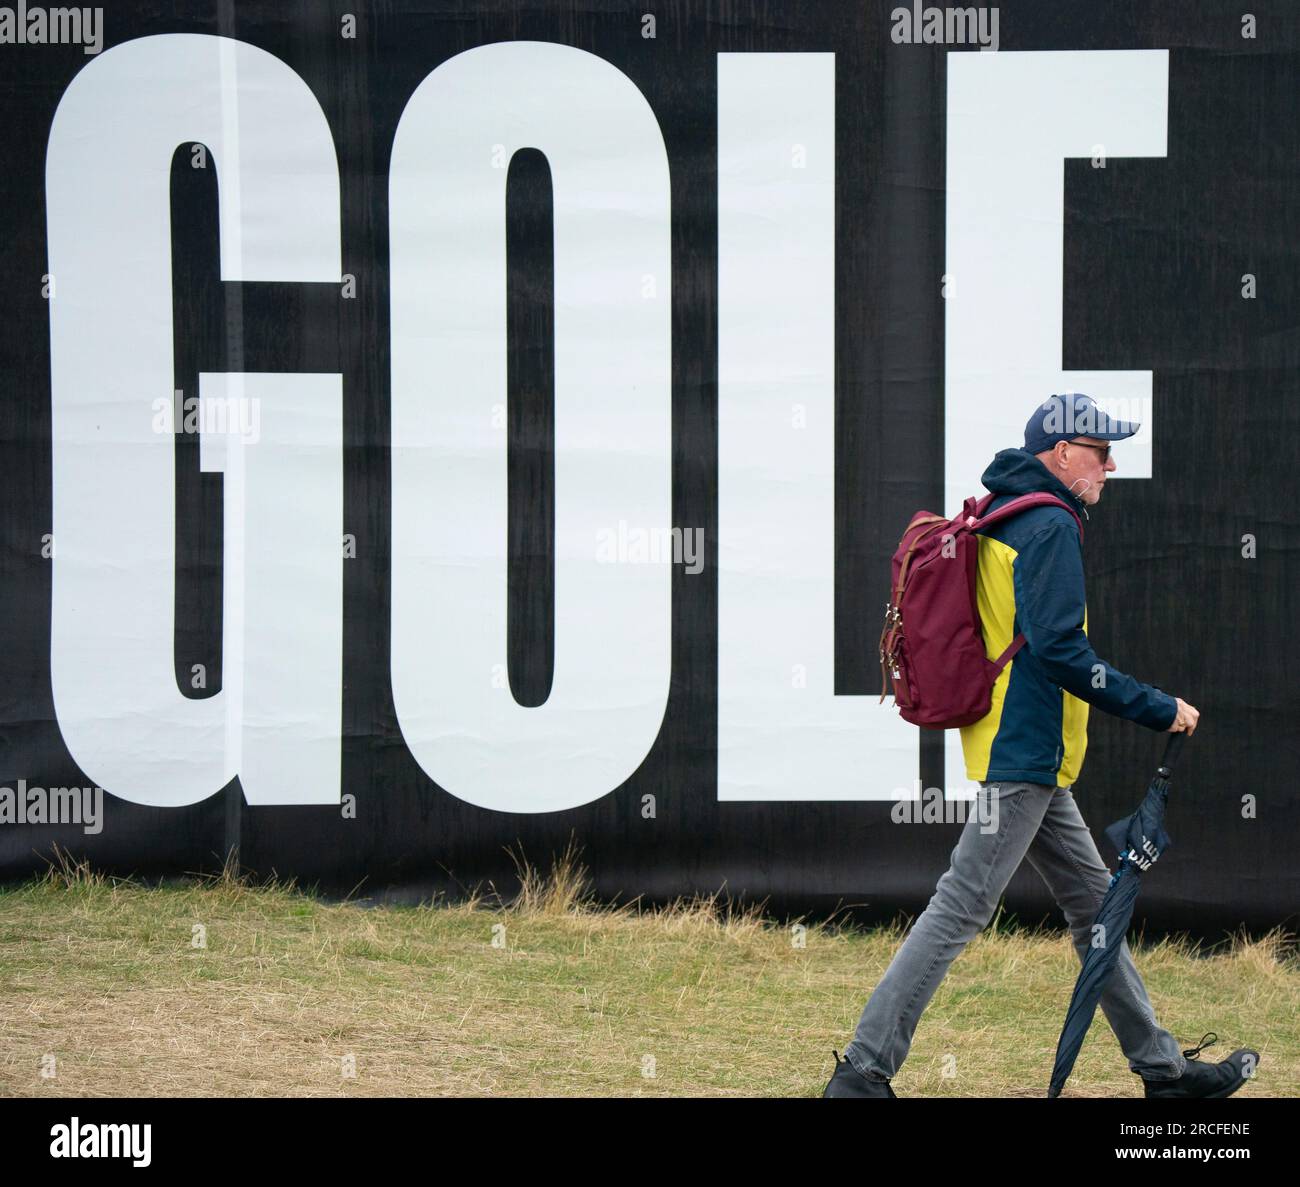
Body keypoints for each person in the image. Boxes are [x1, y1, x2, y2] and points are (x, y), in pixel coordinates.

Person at [823, 393, 1259, 1099]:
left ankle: (1163, 1069)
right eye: (1100, 451)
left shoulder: (1010, 511)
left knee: (1095, 905)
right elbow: (1060, 649)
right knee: (962, 904)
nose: (1110, 465)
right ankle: (864, 1071)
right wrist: (1156, 707)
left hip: (1026, 758)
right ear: (1060, 453)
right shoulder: (1051, 523)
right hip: (1021, 759)